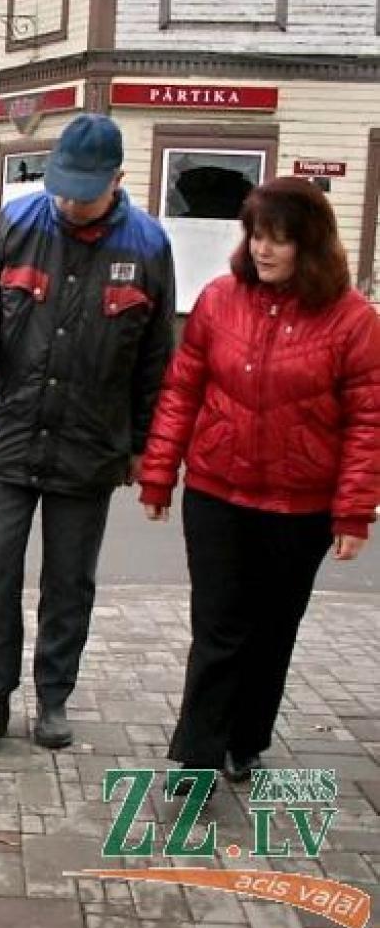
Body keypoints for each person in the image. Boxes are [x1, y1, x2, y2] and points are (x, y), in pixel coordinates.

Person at [139, 175, 380, 789]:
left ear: (311, 245)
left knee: (272, 630)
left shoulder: (353, 321)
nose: (264, 250)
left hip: (299, 509)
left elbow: (367, 422)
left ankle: (246, 739)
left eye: (279, 239)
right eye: (256, 236)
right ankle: (197, 755)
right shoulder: (219, 300)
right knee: (217, 626)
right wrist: (160, 473)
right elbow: (182, 391)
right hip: (217, 494)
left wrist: (354, 513)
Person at [0, 113, 175, 751]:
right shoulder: (15, 225)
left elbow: (158, 357)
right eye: (61, 187)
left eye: (85, 191)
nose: (69, 202)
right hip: (11, 430)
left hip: (90, 443)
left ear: (119, 180)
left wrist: (142, 444)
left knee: (70, 578)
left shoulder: (149, 247)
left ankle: (53, 700)